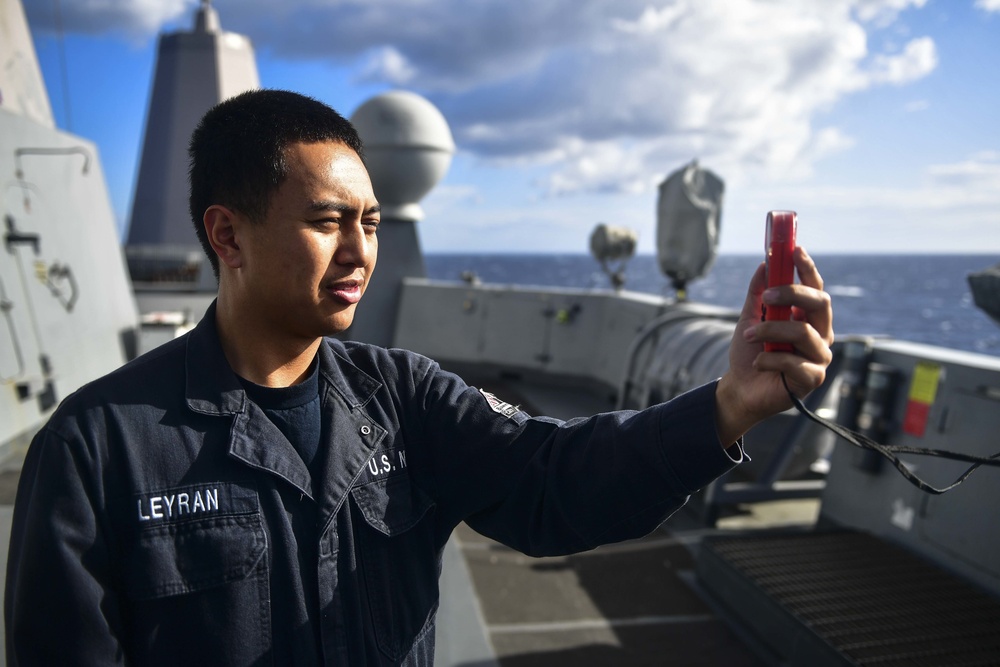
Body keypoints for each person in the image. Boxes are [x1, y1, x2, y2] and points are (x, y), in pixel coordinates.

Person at [4, 89, 834, 666]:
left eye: (369, 221)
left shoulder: (403, 398)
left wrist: (728, 408)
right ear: (228, 235)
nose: (362, 251)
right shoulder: (98, 446)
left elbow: (555, 481)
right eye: (328, 221)